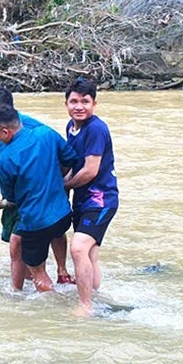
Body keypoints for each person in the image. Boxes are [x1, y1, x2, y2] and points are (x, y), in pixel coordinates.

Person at [0, 105, 78, 293]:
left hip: (35, 223)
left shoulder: (5, 159)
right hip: (62, 215)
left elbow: (10, 196)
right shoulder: (45, 133)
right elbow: (70, 159)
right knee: (54, 237)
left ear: (5, 132)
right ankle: (63, 275)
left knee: (38, 273)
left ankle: (55, 310)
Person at [63, 78, 119, 314]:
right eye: (74, 101)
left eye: (85, 101)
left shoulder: (96, 128)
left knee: (78, 248)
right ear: (66, 104)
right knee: (90, 253)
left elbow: (89, 171)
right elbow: (72, 162)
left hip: (101, 199)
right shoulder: (71, 126)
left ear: (94, 103)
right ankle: (96, 296)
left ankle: (85, 305)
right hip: (84, 199)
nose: (79, 106)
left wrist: (65, 185)